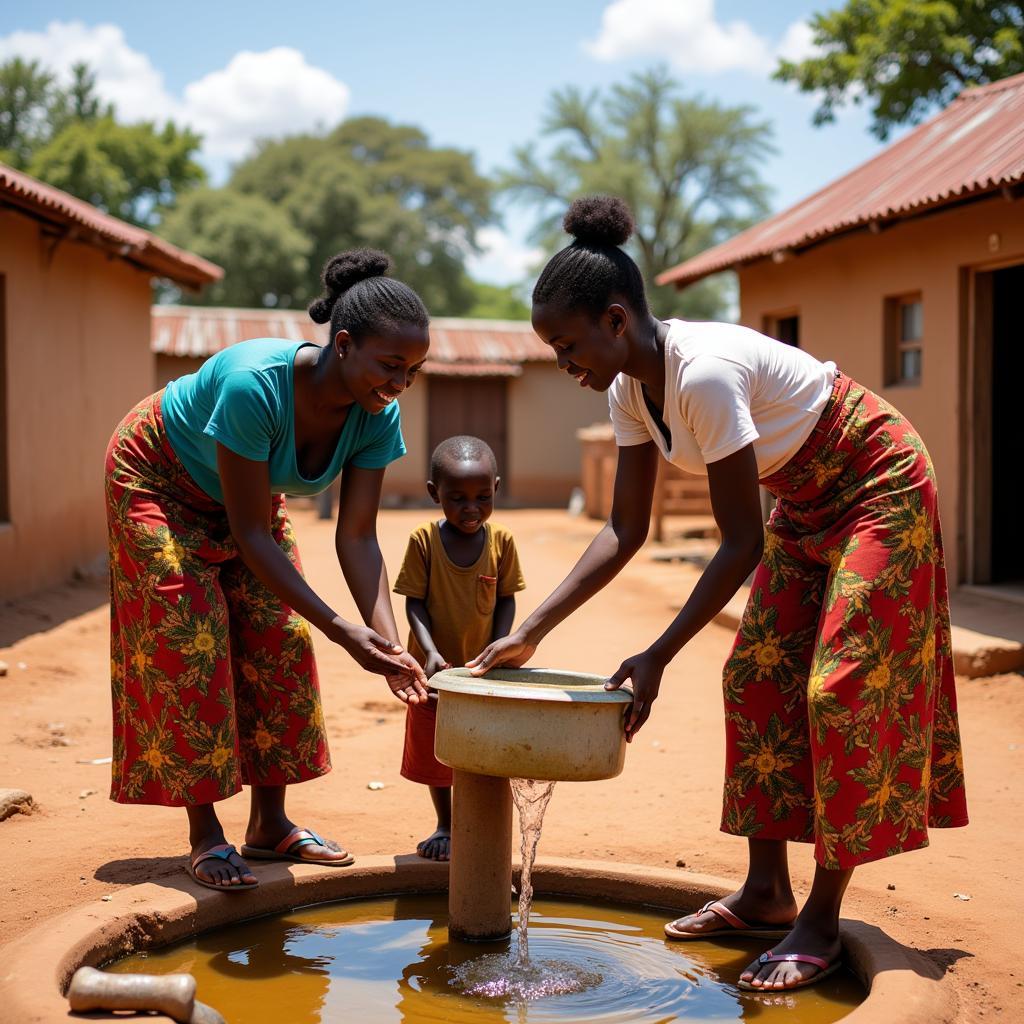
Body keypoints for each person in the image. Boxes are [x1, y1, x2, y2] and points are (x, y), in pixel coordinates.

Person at [468, 196, 968, 991]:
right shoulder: (629, 391)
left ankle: (822, 917)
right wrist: (533, 628)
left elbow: (742, 539)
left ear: (617, 319)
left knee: (839, 688)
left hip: (878, 481)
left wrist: (657, 653)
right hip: (805, 500)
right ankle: (767, 891)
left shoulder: (701, 375)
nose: (565, 363)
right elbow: (624, 529)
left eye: (567, 346)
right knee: (753, 677)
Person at [106, 249, 430, 892]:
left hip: (247, 500)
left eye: (413, 371)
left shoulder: (376, 414)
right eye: (389, 366)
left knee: (278, 637)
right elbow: (253, 536)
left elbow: (358, 536)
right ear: (343, 345)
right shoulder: (256, 385)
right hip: (158, 480)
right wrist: (345, 632)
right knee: (189, 637)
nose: (399, 384)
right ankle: (205, 834)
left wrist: (384, 638)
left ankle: (269, 825)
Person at [393, 436, 525, 861]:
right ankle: (446, 824)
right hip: (432, 673)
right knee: (438, 748)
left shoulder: (501, 541)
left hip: (484, 670)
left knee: (487, 747)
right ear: (435, 494)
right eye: (457, 498)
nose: (471, 509)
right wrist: (428, 653)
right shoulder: (424, 541)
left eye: (482, 497)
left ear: (496, 489)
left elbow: (506, 598)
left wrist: (501, 646)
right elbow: (414, 600)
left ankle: (480, 824)